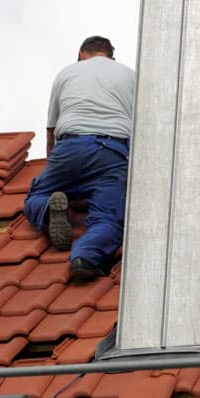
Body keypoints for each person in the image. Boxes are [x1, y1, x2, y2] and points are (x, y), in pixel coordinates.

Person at [24, 36, 136, 282]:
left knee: (36, 195)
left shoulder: (66, 74)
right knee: (108, 218)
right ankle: (84, 258)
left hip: (70, 146)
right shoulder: (130, 75)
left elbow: (51, 132)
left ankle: (46, 210)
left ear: (81, 54)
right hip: (113, 151)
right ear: (111, 57)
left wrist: (55, 170)